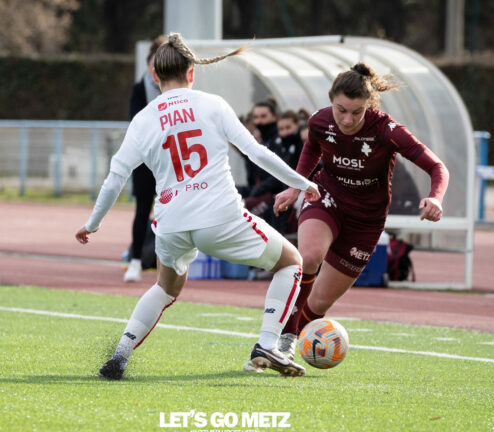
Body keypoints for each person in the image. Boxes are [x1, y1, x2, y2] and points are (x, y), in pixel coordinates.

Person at [75, 33, 321, 380]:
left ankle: (119, 354)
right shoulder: (213, 105)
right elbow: (257, 153)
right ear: (192, 73)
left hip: (171, 222)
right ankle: (267, 343)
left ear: (155, 77)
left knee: (164, 287)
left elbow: (116, 177)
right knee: (292, 263)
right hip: (220, 218)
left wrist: (93, 224)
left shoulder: (143, 119)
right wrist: (303, 183)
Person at [268, 63, 449, 360]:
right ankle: (281, 340)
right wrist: (295, 186)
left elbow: (436, 166)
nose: (348, 119)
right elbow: (312, 147)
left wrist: (436, 197)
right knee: (310, 256)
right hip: (326, 197)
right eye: (341, 110)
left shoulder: (387, 130)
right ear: (331, 101)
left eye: (357, 112)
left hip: (366, 221)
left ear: (369, 106)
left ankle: (292, 342)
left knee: (320, 303)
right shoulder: (319, 121)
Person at [124, 35, 165, 283]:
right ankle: (136, 261)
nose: (155, 69)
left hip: (171, 159)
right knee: (142, 209)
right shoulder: (140, 89)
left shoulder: (180, 90)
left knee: (171, 210)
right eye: (153, 64)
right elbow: (135, 123)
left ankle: (168, 263)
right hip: (145, 159)